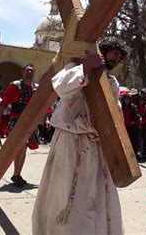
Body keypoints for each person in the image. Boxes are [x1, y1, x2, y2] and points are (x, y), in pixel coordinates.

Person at [32, 37, 128, 234]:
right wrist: (85, 67)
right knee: (64, 191)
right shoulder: (74, 66)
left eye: (120, 56)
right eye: (114, 52)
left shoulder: (112, 82)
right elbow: (60, 86)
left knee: (95, 194)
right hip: (70, 141)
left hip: (96, 146)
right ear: (103, 50)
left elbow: (115, 113)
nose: (116, 58)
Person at [0, 63, 38, 188]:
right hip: (16, 120)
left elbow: (40, 105)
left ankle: (17, 174)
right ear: (22, 72)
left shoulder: (36, 88)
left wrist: (45, 119)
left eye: (32, 71)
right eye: (27, 70)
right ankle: (16, 174)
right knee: (19, 147)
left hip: (29, 122)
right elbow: (4, 103)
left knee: (23, 148)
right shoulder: (15, 86)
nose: (29, 73)